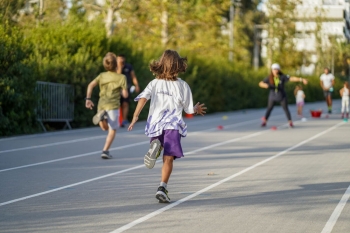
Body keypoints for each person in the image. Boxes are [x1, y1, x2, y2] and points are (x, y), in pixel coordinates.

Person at [127, 50, 206, 203]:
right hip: (172, 125)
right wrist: (196, 109)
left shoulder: (154, 83)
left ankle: (155, 146)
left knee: (158, 145)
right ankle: (162, 188)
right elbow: (189, 110)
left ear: (160, 64)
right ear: (178, 65)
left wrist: (135, 116)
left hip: (156, 123)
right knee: (168, 159)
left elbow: (143, 99)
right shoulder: (183, 86)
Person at [85, 52, 128, 159]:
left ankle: (102, 118)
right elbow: (125, 94)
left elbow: (91, 85)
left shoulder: (101, 76)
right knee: (112, 129)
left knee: (104, 128)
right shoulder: (121, 77)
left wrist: (88, 99)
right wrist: (125, 91)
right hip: (113, 107)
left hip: (101, 105)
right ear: (116, 65)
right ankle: (105, 150)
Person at [259, 63, 308, 128]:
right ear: (272, 70)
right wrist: (265, 85)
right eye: (274, 69)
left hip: (282, 96)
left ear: (279, 70)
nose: (275, 71)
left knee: (286, 109)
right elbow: (260, 83)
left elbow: (291, 78)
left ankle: (290, 122)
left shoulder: (282, 77)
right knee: (269, 109)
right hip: (273, 96)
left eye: (277, 69)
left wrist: (301, 79)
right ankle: (265, 122)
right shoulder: (269, 78)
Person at [116, 54, 140, 127]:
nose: (121, 60)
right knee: (117, 104)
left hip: (126, 87)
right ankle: (117, 120)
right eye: (119, 59)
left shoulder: (128, 66)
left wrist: (136, 85)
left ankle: (124, 119)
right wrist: (120, 67)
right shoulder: (115, 66)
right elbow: (118, 76)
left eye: (122, 59)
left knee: (125, 103)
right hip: (117, 88)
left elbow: (133, 76)